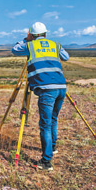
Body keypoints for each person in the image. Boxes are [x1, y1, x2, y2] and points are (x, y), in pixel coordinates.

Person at [12, 22, 69, 171]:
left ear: (31, 34)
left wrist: (26, 40)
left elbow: (14, 49)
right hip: (61, 87)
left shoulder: (29, 46)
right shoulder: (55, 45)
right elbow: (66, 57)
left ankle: (46, 162)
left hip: (46, 89)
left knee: (45, 125)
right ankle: (53, 147)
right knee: (53, 120)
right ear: (45, 34)